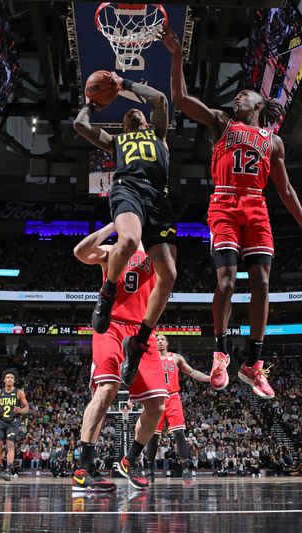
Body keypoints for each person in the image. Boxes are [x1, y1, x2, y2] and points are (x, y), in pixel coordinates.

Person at [161, 28, 302, 399]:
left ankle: (253, 363)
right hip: (224, 203)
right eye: (236, 94)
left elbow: (285, 190)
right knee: (226, 284)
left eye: (244, 94)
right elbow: (181, 98)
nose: (237, 96)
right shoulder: (222, 123)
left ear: (259, 104)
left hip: (257, 206)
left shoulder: (274, 141)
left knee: (263, 283)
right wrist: (175, 57)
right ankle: (220, 354)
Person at [73, 73, 177, 387]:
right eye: (128, 114)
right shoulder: (116, 142)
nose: (133, 113)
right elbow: (80, 125)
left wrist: (125, 84)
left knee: (169, 276)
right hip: (127, 191)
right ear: (124, 126)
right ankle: (107, 294)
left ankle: (140, 340)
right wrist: (90, 105)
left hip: (157, 198)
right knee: (130, 239)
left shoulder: (159, 136)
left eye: (137, 112)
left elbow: (159, 99)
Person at [72, 223, 169, 491]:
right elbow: (80, 251)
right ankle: (83, 468)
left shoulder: (156, 251)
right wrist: (113, 225)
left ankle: (131, 460)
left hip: (142, 330)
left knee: (158, 405)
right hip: (111, 324)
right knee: (107, 389)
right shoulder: (113, 250)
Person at [144, 335, 210, 482]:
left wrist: (209, 378)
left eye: (162, 339)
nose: (159, 341)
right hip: (156, 398)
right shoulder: (150, 358)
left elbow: (192, 372)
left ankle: (186, 469)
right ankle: (149, 470)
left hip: (173, 397)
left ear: (167, 343)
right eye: (157, 339)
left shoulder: (176, 358)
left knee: (179, 433)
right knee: (153, 436)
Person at [0, 369, 29, 481]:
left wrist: (20, 410)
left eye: (11, 377)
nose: (9, 379)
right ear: (4, 380)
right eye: (8, 377)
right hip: (1, 422)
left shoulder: (19, 392)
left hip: (13, 422)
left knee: (10, 444)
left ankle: (8, 470)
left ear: (14, 380)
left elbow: (27, 408)